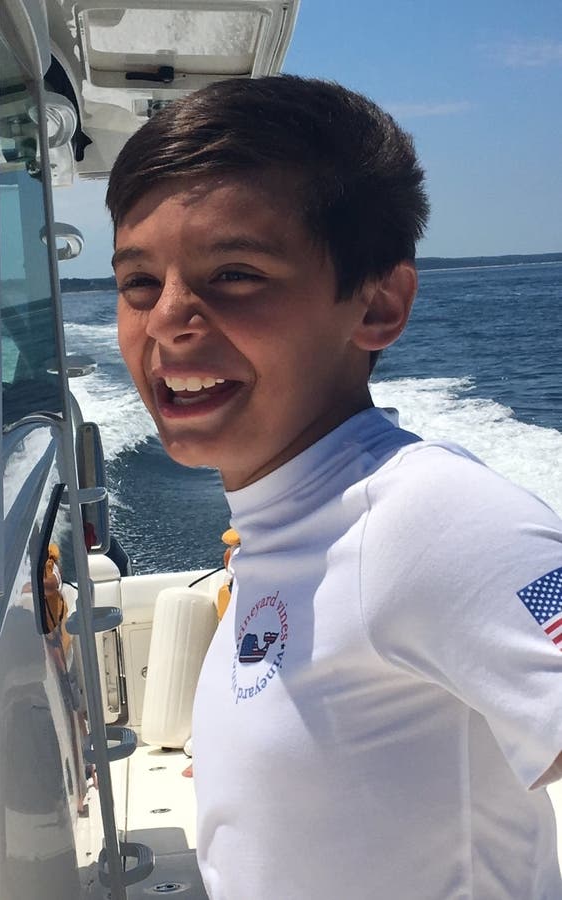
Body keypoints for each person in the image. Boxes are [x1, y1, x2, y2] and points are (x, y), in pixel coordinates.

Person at [106, 75, 562, 899]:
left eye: (234, 273)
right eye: (138, 283)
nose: (166, 318)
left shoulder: (436, 519)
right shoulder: (282, 525)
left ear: (377, 306)